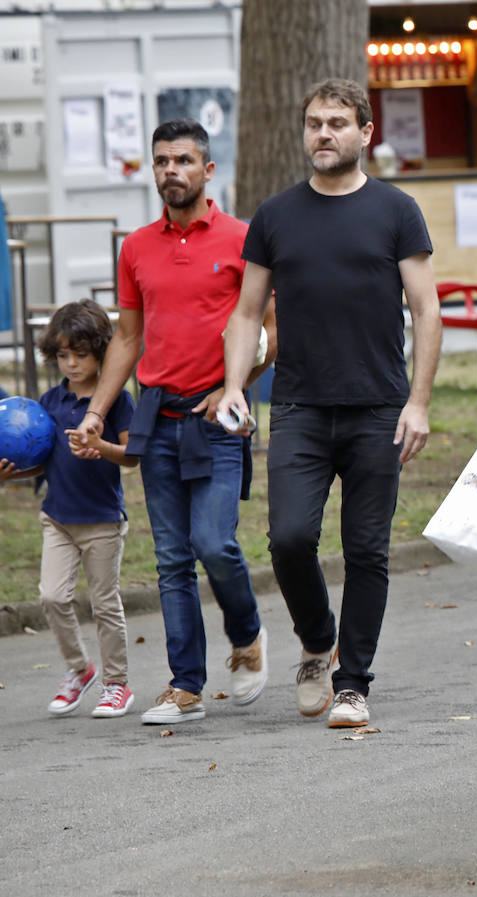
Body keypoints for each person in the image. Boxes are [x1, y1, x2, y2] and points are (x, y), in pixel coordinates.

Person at [219, 78, 441, 730]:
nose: (324, 133)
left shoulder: (397, 211)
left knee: (366, 549)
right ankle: (318, 641)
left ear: (365, 132)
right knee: (288, 539)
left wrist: (420, 402)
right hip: (299, 407)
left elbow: (426, 312)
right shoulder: (275, 215)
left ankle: (353, 683)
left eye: (338, 123)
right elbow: (247, 311)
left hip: (379, 406)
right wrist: (235, 384)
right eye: (315, 122)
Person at [75, 118, 274, 726]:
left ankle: (247, 636)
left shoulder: (243, 238)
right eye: (162, 161)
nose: (171, 171)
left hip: (219, 416)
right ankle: (185, 686)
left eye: (184, 161)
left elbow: (273, 332)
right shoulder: (136, 247)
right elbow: (128, 338)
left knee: (214, 542)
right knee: (169, 559)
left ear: (208, 171)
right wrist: (97, 413)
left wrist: (230, 388)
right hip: (157, 414)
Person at [1, 300, 137, 717]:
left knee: (104, 604)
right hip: (57, 518)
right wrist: (10, 476)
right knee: (52, 597)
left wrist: (101, 446)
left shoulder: (116, 400)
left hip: (102, 522)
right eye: (63, 355)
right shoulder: (49, 400)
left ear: (101, 351)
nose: (72, 363)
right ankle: (79, 670)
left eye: (81, 354)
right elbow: (43, 459)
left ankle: (117, 684)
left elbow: (132, 457)